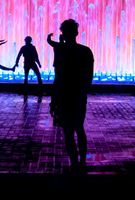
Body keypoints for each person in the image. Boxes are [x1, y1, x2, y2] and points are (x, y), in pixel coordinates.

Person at [49, 19, 94, 174]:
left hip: (64, 96)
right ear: (76, 32)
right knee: (79, 128)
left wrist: (53, 100)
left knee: (68, 131)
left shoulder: (60, 51)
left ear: (63, 33)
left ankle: (75, 163)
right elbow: (89, 76)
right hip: (78, 95)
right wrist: (83, 94)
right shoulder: (86, 51)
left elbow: (58, 76)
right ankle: (81, 162)